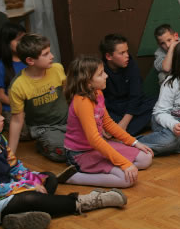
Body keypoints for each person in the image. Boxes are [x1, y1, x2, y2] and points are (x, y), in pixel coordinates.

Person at [0, 96, 127, 229]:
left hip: (8, 189)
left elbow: (15, 167)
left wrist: (33, 181)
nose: (2, 118)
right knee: (32, 197)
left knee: (49, 179)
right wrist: (28, 186)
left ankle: (19, 217)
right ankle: (89, 201)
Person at [60, 55, 153, 188]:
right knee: (127, 180)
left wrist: (134, 142)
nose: (106, 76)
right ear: (88, 82)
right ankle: (73, 177)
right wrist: (124, 163)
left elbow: (108, 123)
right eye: (100, 74)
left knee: (146, 158)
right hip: (80, 154)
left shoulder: (98, 92)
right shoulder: (82, 102)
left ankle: (110, 166)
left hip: (98, 147)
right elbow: (94, 139)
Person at [8, 34, 68, 158]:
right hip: (44, 127)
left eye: (50, 52)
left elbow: (69, 93)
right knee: (63, 151)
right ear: (30, 60)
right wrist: (11, 154)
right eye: (46, 54)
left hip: (67, 119)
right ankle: (42, 143)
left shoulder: (57, 68)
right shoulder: (18, 86)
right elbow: (17, 120)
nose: (52, 56)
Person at [99, 34, 156, 136]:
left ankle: (119, 129)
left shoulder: (131, 65)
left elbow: (136, 96)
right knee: (101, 113)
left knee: (157, 103)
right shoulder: (100, 69)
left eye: (127, 51)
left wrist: (124, 123)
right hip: (112, 109)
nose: (127, 56)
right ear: (108, 56)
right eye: (122, 53)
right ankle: (123, 129)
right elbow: (99, 101)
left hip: (132, 107)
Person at [0, 22, 29, 140]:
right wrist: (21, 106)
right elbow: (0, 96)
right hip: (13, 109)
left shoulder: (30, 60)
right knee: (24, 131)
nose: (23, 43)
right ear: (7, 43)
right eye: (18, 40)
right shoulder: (0, 66)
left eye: (24, 39)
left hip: (33, 106)